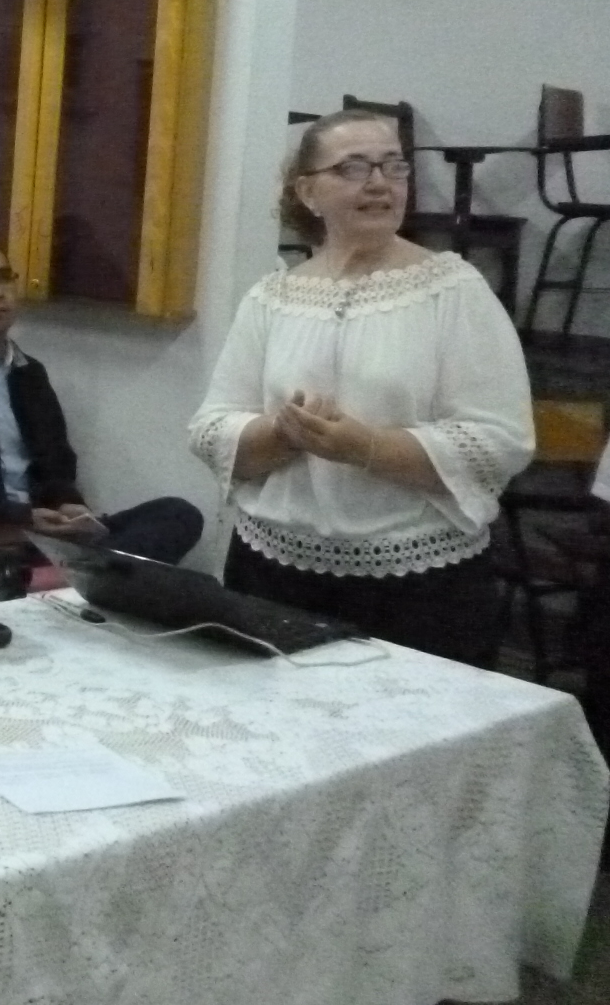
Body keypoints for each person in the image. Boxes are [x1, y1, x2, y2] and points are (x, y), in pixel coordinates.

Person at [188, 108, 533, 665]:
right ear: (308, 191)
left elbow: (499, 441)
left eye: (394, 166)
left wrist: (365, 447)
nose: (379, 183)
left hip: (417, 586)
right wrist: (283, 434)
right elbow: (211, 428)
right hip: (273, 574)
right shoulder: (272, 297)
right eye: (353, 167)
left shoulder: (452, 291)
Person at [0, 239, 204, 564]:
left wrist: (67, 505)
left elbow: (57, 466)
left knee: (177, 514)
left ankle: (81, 573)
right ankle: (85, 575)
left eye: (4, 277)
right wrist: (19, 516)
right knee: (123, 564)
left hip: (39, 532)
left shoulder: (29, 374)